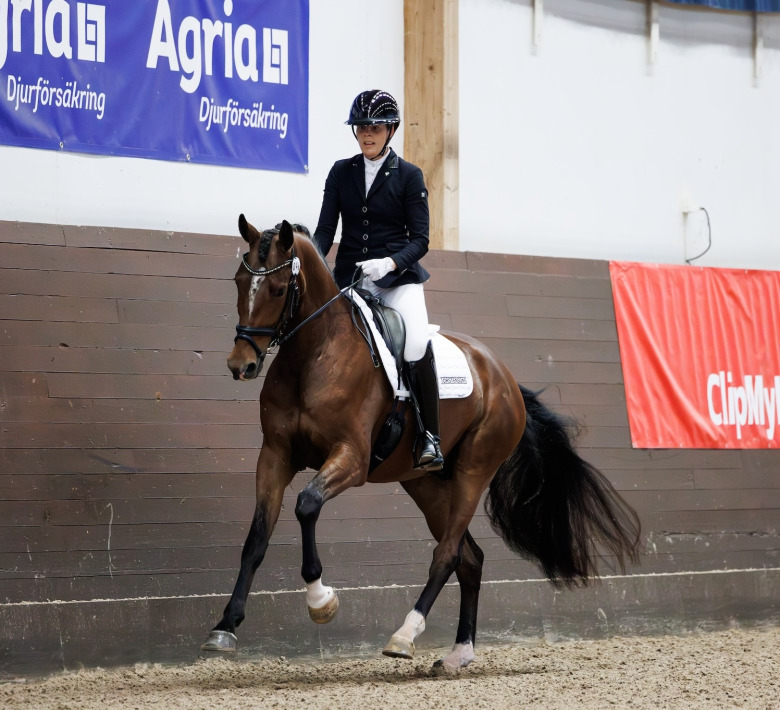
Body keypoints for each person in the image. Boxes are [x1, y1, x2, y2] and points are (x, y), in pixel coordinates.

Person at [313, 89, 444, 471]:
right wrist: (311, 259)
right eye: (361, 127)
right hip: (351, 280)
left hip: (397, 280)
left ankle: (430, 437)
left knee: (417, 340)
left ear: (390, 130)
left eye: (375, 127)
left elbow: (421, 239)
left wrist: (389, 263)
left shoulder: (409, 176)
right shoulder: (341, 172)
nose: (366, 134)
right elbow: (324, 230)